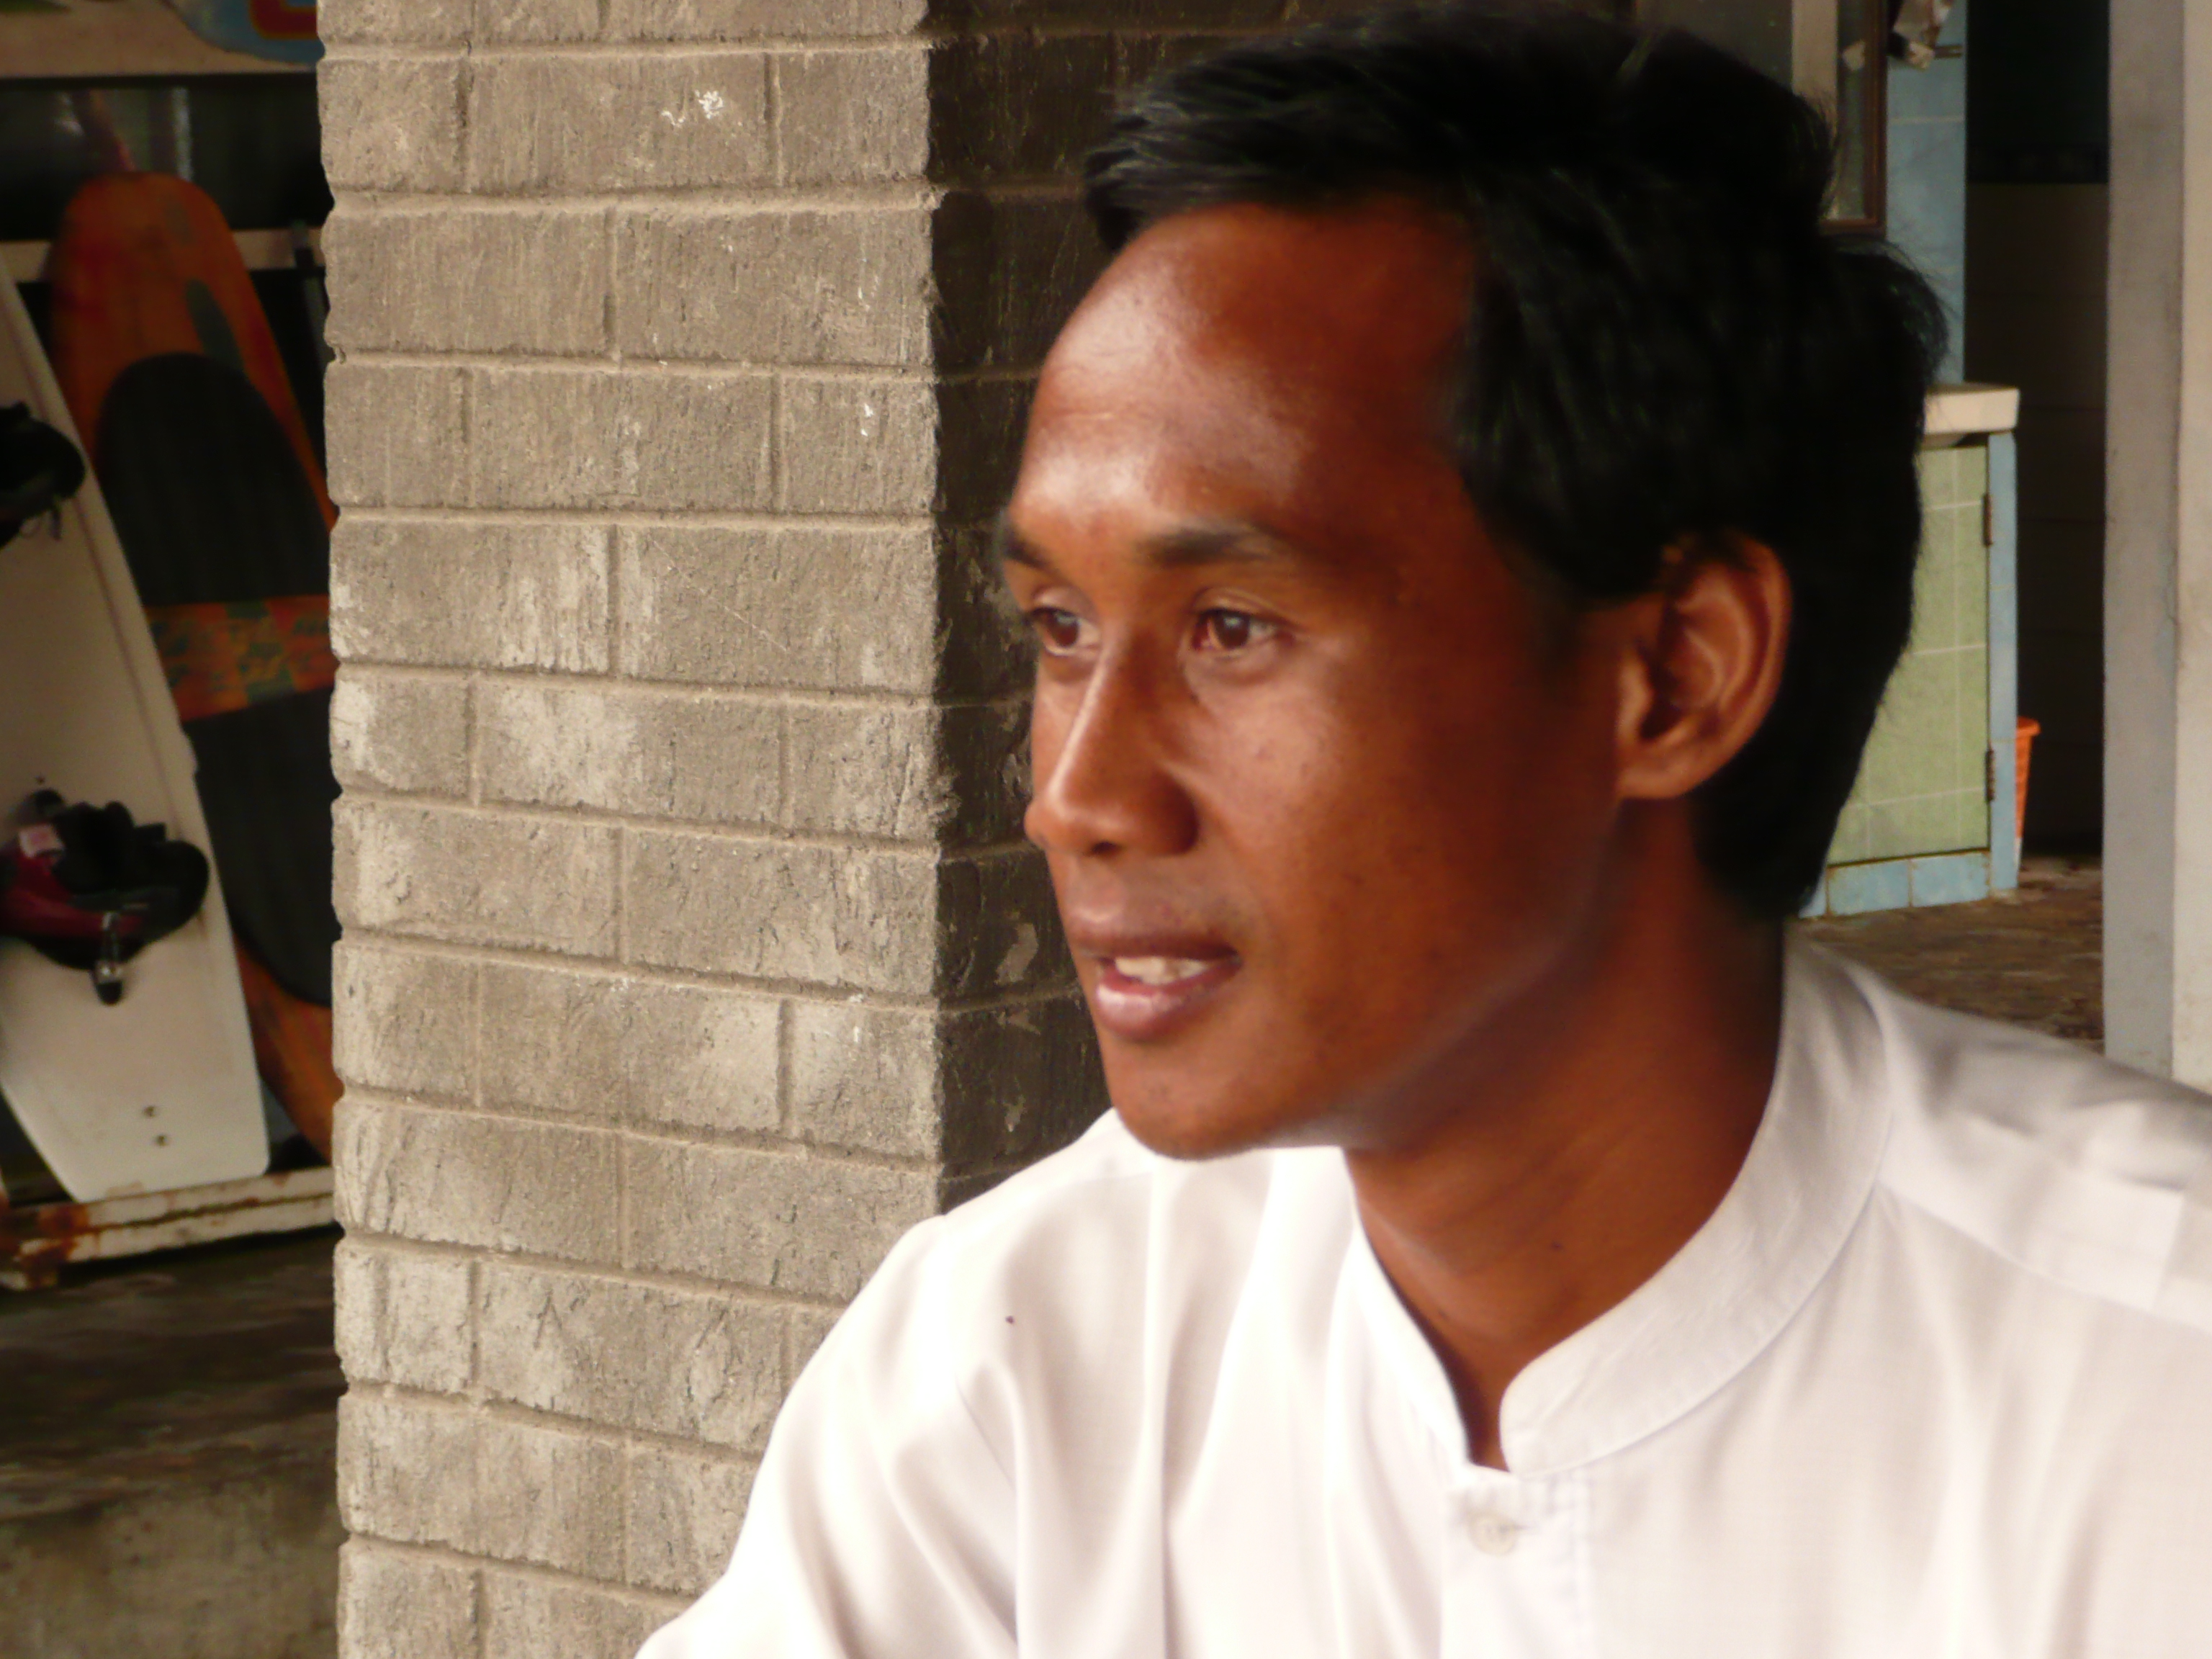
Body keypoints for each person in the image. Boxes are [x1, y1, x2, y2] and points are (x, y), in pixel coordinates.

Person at [641, 6, 2212, 1655]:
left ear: (1677, 676)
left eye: (1232, 628)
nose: (1078, 797)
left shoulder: (2148, 1393)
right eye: (1061, 629)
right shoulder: (1020, 1372)